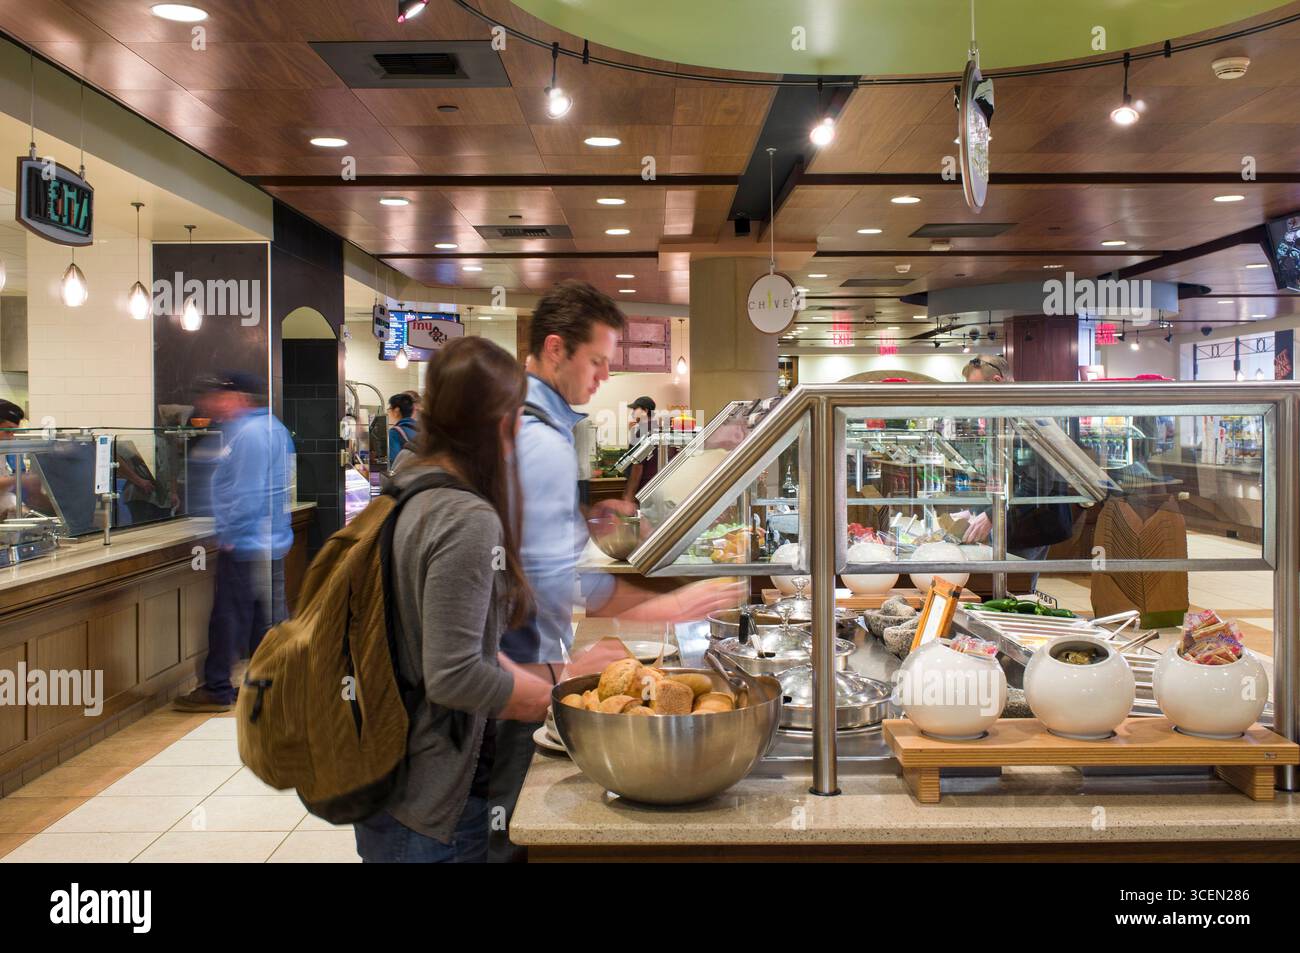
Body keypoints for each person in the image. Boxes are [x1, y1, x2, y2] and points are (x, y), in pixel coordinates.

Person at [488, 280, 743, 863]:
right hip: (518, 666)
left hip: (512, 659)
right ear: (556, 349)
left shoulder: (521, 418)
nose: (604, 376)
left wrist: (585, 519)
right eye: (598, 360)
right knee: (506, 830)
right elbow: (550, 577)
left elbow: (524, 538)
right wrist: (663, 606)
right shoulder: (541, 438)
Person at [354, 336, 622, 863]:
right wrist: (562, 692)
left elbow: (453, 638)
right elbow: (454, 674)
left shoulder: (407, 484)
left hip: (390, 787)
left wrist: (552, 673)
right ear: (497, 421)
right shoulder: (464, 519)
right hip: (432, 806)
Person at [174, 373, 293, 712]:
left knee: (230, 617)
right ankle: (264, 687)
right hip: (268, 540)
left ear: (237, 397)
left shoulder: (250, 433)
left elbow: (248, 493)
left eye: (217, 397)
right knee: (263, 620)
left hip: (248, 542)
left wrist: (229, 534)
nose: (211, 405)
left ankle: (218, 688)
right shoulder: (271, 428)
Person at [959, 355, 1074, 588]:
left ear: (998, 381)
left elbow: (1038, 483)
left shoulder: (1029, 419)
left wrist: (991, 515)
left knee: (1016, 591)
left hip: (1032, 523)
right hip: (1010, 521)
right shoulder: (999, 416)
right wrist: (977, 511)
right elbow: (998, 476)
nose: (972, 397)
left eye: (976, 389)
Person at [621, 395, 658, 505]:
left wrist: (629, 494)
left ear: (645, 410)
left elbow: (638, 466)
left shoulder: (643, 431)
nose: (632, 412)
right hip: (654, 486)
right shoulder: (656, 428)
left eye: (635, 409)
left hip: (642, 487)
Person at [386, 392, 418, 473]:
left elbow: (394, 464)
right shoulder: (423, 429)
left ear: (396, 410)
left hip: (406, 479)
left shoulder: (394, 432)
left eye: (390, 409)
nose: (388, 412)